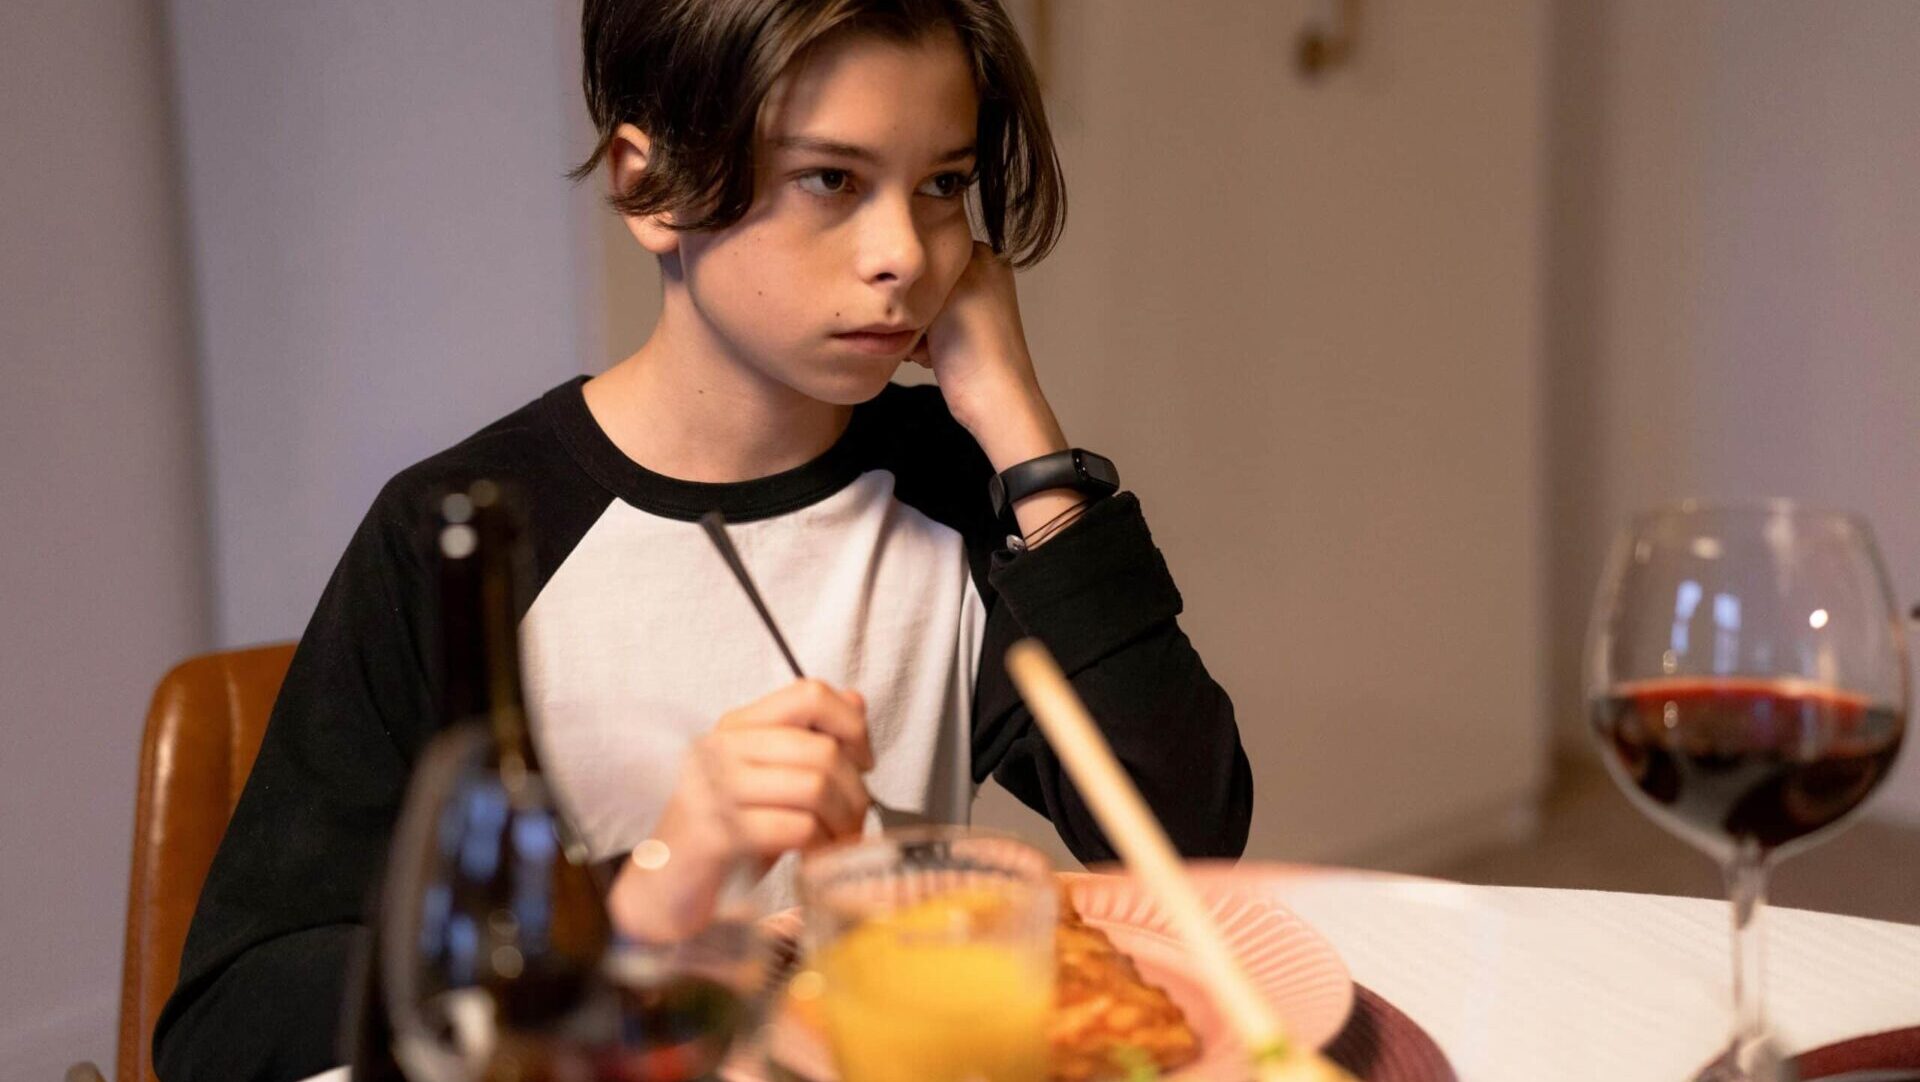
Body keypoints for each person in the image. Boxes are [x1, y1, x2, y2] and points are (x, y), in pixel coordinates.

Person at [154, 1, 1253, 1078]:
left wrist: (1021, 427)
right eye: (832, 179)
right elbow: (228, 1022)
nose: (904, 256)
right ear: (649, 183)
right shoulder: (466, 531)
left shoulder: (954, 487)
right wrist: (637, 898)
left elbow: (1184, 831)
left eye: (941, 187)